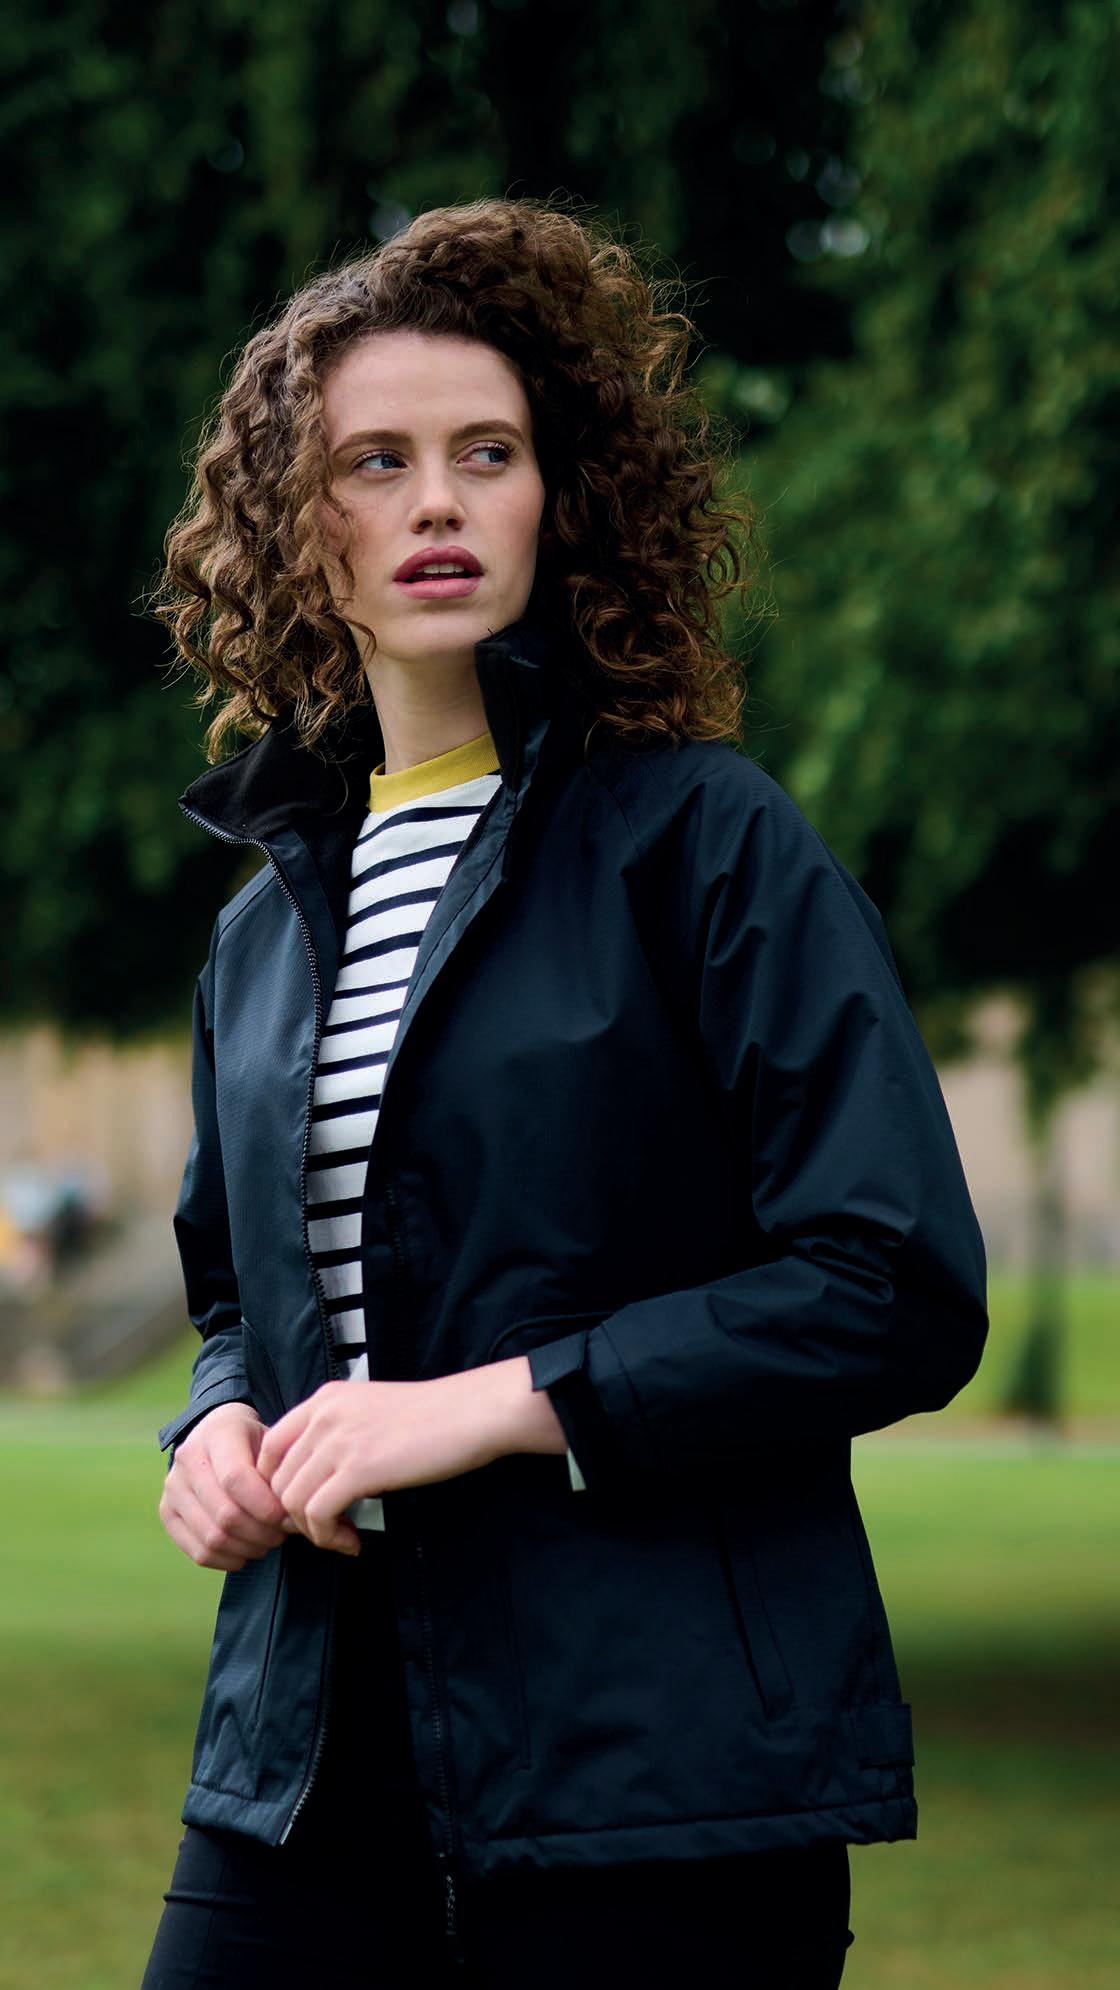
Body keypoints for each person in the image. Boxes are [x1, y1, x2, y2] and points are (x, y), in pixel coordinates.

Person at [141, 195, 988, 1989]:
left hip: (657, 1771)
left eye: (488, 452)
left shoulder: (705, 840)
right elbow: (236, 1300)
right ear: (296, 526)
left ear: (562, 495)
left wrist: (493, 1404)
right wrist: (214, 1433)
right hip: (302, 1757)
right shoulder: (262, 931)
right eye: (375, 462)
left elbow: (891, 1281)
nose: (437, 502)